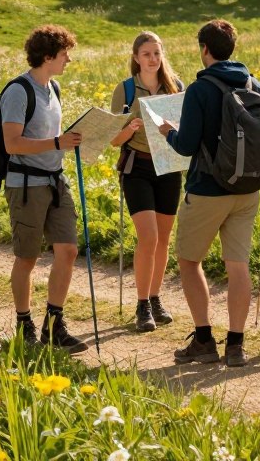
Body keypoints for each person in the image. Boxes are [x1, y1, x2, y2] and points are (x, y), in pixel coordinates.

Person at [158, 20, 260, 367]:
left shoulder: (200, 88)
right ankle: (236, 345)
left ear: (204, 49)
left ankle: (204, 339)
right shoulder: (255, 83)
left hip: (208, 189)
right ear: (231, 48)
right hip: (248, 188)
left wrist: (167, 132)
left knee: (190, 261)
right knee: (238, 266)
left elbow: (187, 145)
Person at [2, 24, 87, 354]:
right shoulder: (18, 92)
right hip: (26, 184)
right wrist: (56, 142)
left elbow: (51, 140)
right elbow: (12, 144)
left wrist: (70, 142)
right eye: (65, 54)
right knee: (27, 257)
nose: (68, 60)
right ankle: (24, 324)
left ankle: (54, 325)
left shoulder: (54, 89)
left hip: (55, 180)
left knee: (68, 250)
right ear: (48, 56)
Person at [109, 31, 184, 332]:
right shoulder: (126, 90)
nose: (153, 59)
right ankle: (142, 305)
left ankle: (155, 298)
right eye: (146, 54)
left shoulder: (175, 86)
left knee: (164, 240)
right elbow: (113, 139)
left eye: (156, 53)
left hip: (168, 167)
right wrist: (130, 130)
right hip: (136, 168)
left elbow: (187, 128)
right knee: (149, 238)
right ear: (136, 58)